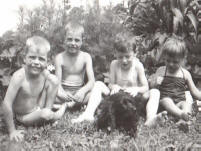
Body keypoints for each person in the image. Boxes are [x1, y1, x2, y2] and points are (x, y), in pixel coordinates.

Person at [72, 31, 167, 127]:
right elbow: (110, 84)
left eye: (127, 56)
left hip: (134, 99)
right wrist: (114, 86)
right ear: (115, 54)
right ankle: (88, 113)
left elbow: (145, 87)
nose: (124, 60)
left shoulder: (137, 66)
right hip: (117, 98)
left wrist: (136, 89)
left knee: (155, 92)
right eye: (120, 57)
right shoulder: (114, 64)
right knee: (98, 84)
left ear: (134, 53)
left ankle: (150, 118)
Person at [2, 36, 67, 142]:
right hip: (24, 116)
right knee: (48, 114)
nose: (36, 62)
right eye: (32, 57)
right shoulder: (19, 76)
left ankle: (49, 110)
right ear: (24, 58)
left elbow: (54, 82)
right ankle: (57, 112)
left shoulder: (43, 72)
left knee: (54, 80)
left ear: (47, 61)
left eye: (41, 59)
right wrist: (12, 131)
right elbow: (6, 104)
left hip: (38, 106)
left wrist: (59, 91)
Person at [151, 37, 201, 124]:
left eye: (175, 62)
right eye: (167, 61)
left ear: (183, 59)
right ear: (164, 58)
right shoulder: (161, 71)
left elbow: (194, 91)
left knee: (186, 104)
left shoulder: (185, 73)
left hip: (179, 104)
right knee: (167, 100)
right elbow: (152, 88)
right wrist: (156, 82)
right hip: (164, 105)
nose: (171, 64)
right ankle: (181, 115)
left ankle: (183, 120)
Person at [55, 22, 95, 108]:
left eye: (77, 40)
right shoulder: (60, 58)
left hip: (79, 93)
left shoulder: (86, 57)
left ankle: (65, 106)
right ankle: (71, 105)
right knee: (49, 92)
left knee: (95, 92)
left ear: (82, 41)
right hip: (64, 94)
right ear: (64, 40)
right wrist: (62, 93)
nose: (73, 43)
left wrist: (82, 91)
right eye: (69, 39)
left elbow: (92, 81)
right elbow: (57, 83)